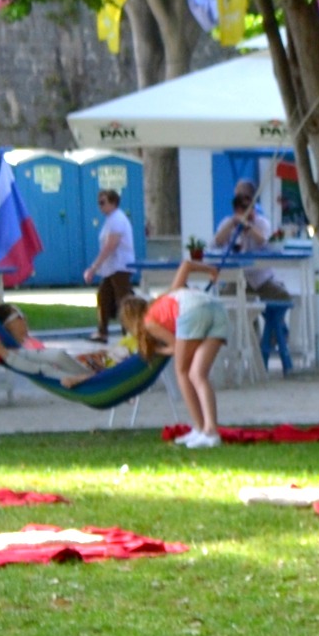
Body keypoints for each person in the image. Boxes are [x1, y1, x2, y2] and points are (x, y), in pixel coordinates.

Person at [128, 256, 231, 446]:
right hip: (217, 309)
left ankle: (200, 427)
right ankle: (210, 431)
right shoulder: (167, 296)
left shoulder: (148, 322)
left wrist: (159, 350)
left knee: (182, 372)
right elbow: (186, 264)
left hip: (191, 312)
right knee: (198, 375)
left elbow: (176, 346)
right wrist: (210, 269)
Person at [87, 187, 138, 341]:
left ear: (113, 202)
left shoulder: (117, 220)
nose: (100, 206)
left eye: (103, 202)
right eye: (98, 203)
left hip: (120, 267)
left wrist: (94, 267)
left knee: (123, 301)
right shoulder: (111, 220)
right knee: (104, 297)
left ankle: (130, 334)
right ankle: (102, 332)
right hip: (111, 268)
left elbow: (110, 246)